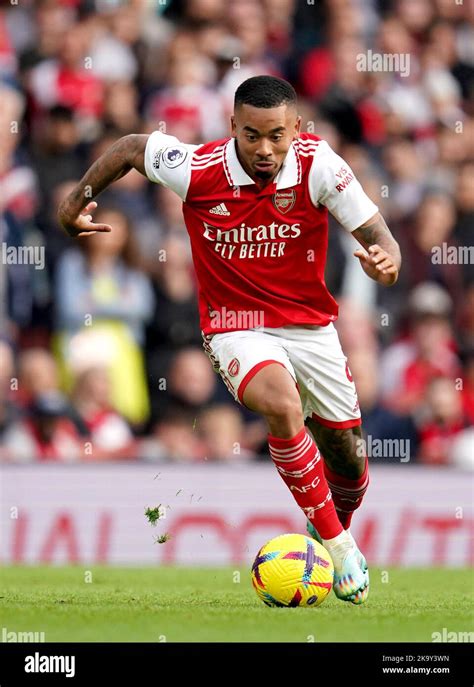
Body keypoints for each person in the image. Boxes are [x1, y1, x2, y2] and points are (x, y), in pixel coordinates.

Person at [58, 75, 402, 605]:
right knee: (283, 406)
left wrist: (386, 262)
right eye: (251, 135)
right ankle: (338, 546)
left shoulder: (321, 165)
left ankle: (325, 527)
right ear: (231, 128)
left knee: (351, 464)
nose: (264, 148)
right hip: (235, 324)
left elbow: (381, 239)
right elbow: (129, 148)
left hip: (310, 327)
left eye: (277, 136)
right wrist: (74, 202)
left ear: (297, 129)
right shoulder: (196, 169)